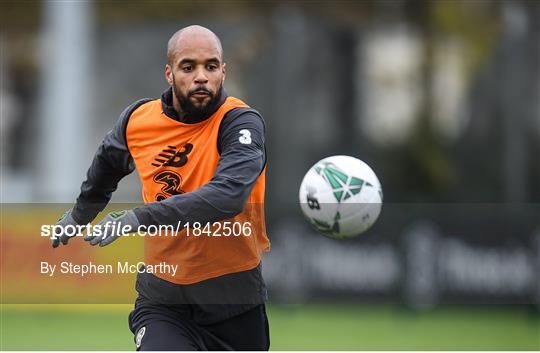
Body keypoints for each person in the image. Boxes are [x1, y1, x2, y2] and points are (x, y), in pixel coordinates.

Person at [52, 25, 271, 351]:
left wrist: (138, 219)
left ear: (223, 72)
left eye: (210, 66)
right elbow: (105, 169)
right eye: (188, 67)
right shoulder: (138, 120)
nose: (201, 77)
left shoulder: (239, 123)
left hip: (233, 300)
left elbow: (228, 196)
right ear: (169, 74)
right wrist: (80, 215)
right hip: (164, 299)